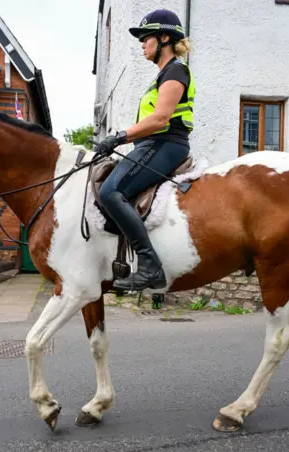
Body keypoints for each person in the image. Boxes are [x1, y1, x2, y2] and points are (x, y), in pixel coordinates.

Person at [95, 9, 196, 291]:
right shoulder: (164, 73)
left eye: (145, 38)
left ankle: (150, 266)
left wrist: (118, 137)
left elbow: (160, 119)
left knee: (111, 193)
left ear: (164, 38)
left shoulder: (176, 70)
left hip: (165, 144)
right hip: (155, 144)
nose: (142, 44)